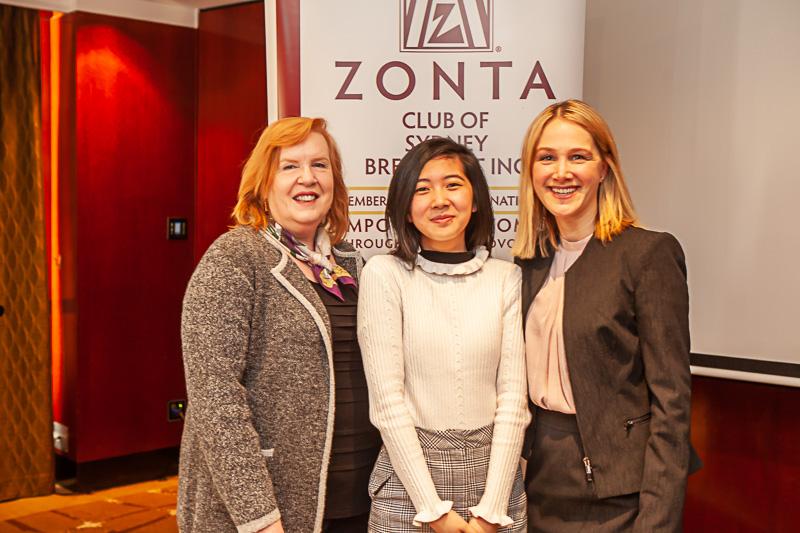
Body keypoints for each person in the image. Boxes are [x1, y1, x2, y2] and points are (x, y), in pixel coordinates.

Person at [178, 117, 381, 533]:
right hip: (272, 506)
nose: (307, 178)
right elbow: (214, 398)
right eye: (290, 166)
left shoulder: (349, 264)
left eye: (320, 165)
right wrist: (259, 517)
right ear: (263, 183)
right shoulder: (234, 259)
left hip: (357, 493)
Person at [513, 99, 693, 532]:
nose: (561, 172)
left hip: (620, 495)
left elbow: (672, 403)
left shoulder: (647, 254)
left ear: (605, 167)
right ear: (531, 172)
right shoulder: (526, 265)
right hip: (539, 485)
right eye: (547, 158)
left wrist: (657, 520)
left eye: (578, 156)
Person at [358, 138, 530, 533]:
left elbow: (513, 400)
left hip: (496, 486)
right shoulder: (384, 275)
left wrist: (490, 512)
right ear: (405, 206)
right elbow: (387, 403)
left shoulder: (506, 278)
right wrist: (434, 512)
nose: (439, 200)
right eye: (422, 189)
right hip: (408, 486)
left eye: (453, 185)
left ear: (475, 201)